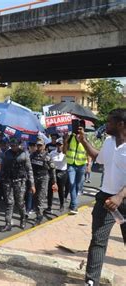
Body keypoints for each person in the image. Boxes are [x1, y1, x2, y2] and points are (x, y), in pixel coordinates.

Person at [76, 109, 126, 286]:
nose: (106, 125)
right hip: (105, 198)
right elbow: (98, 157)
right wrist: (83, 142)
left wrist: (120, 196)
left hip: (123, 199)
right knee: (98, 239)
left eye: (110, 122)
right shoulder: (108, 141)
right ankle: (91, 281)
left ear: (121, 124)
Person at [0, 137, 35, 232]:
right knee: (9, 203)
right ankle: (8, 223)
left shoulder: (24, 155)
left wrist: (32, 184)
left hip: (20, 181)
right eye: (11, 145)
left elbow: (29, 170)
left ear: (19, 145)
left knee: (20, 202)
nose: (13, 147)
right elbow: (2, 168)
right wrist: (0, 180)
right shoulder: (7, 154)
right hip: (8, 181)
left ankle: (23, 218)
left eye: (15, 145)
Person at [30, 138, 58, 225]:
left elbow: (52, 170)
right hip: (34, 178)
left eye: (40, 145)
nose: (39, 147)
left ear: (44, 146)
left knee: (40, 197)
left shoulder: (47, 157)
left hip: (44, 178)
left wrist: (54, 182)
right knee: (34, 197)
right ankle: (38, 212)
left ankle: (40, 216)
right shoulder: (32, 155)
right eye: (37, 145)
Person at [63, 119, 88, 214]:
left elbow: (89, 153)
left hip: (82, 165)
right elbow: (64, 152)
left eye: (80, 128)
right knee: (72, 183)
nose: (78, 129)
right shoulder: (70, 137)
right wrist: (65, 142)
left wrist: (89, 165)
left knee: (77, 185)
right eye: (77, 127)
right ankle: (74, 205)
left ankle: (72, 203)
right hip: (71, 165)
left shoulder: (86, 138)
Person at [47, 139, 68, 213]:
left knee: (60, 190)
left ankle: (62, 204)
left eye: (60, 145)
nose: (59, 146)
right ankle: (49, 206)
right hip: (53, 172)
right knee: (50, 189)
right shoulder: (52, 153)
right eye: (58, 145)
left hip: (62, 172)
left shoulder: (65, 153)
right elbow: (48, 161)